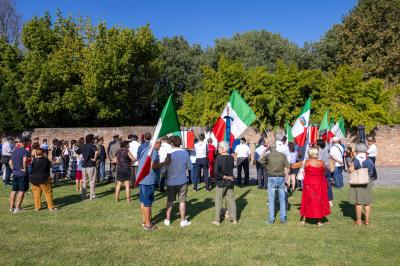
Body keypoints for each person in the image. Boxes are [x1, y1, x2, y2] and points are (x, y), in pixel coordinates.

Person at [292, 147, 331, 226]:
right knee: (319, 201)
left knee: (307, 201)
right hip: (319, 184)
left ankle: (305, 219)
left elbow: (293, 166)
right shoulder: (321, 162)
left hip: (309, 184)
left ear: (309, 154)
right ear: (316, 154)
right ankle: (319, 221)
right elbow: (324, 172)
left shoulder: (306, 162)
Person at [137, 136, 166, 231]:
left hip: (142, 178)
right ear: (156, 143)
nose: (160, 146)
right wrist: (163, 163)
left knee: (143, 201)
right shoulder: (153, 151)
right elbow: (153, 165)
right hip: (148, 180)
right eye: (160, 144)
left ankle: (145, 220)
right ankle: (148, 225)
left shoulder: (145, 148)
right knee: (147, 203)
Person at [163, 136, 192, 227]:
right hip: (182, 180)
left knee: (170, 201)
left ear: (172, 143)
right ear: (180, 143)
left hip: (171, 181)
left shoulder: (169, 153)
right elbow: (190, 167)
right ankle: (182, 220)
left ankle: (167, 220)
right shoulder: (185, 153)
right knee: (182, 201)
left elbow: (163, 168)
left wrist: (165, 175)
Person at [259, 142, 290, 224]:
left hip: (272, 177)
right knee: (282, 199)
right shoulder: (282, 155)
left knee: (271, 199)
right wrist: (287, 177)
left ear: (270, 148)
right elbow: (287, 166)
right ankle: (283, 218)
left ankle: (271, 219)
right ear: (276, 147)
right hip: (281, 178)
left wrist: (265, 150)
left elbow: (260, 159)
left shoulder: (268, 155)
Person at [212, 141, 237, 225]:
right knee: (231, 200)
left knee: (218, 201)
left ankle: (217, 220)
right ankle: (234, 219)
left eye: (219, 147)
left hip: (221, 182)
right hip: (230, 181)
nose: (218, 148)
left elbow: (215, 172)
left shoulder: (218, 158)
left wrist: (224, 177)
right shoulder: (231, 157)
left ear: (223, 149)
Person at [349, 143, 374, 226]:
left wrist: (351, 164)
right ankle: (366, 221)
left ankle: (359, 221)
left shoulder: (355, 160)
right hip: (367, 181)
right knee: (367, 202)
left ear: (358, 150)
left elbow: (351, 170)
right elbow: (372, 170)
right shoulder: (369, 160)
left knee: (358, 202)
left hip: (357, 181)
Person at [9, 137, 30, 213]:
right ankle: (17, 208)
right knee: (22, 190)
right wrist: (24, 169)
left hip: (15, 173)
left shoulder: (14, 151)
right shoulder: (25, 151)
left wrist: (13, 170)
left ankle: (11, 207)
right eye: (28, 142)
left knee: (14, 190)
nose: (28, 144)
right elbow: (24, 160)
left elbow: (10, 162)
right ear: (24, 143)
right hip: (22, 174)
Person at [75, 134, 99, 200]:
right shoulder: (93, 146)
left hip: (84, 166)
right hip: (91, 165)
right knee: (92, 181)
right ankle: (92, 195)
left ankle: (83, 196)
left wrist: (80, 158)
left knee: (84, 181)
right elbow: (96, 152)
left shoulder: (82, 146)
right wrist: (94, 159)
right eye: (93, 139)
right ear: (91, 139)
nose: (94, 140)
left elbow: (75, 153)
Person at [317, 139, 334, 206]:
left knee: (321, 184)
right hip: (327, 168)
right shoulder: (327, 149)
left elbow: (319, 160)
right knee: (328, 184)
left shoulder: (320, 151)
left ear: (318, 145)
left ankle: (322, 199)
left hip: (322, 169)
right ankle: (330, 200)